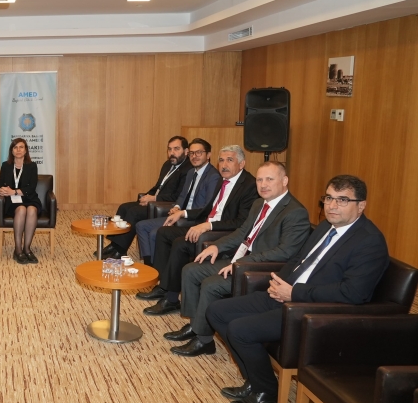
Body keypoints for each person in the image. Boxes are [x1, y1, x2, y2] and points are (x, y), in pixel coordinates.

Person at [206, 175, 389, 403]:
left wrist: (294, 292)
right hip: (287, 294)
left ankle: (266, 392)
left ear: (361, 205)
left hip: (312, 311)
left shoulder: (369, 241)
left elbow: (353, 293)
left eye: (342, 200)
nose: (332, 206)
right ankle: (254, 378)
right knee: (217, 311)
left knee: (240, 330)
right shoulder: (326, 226)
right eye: (329, 198)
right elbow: (298, 260)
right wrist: (279, 283)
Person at [166, 161, 311, 356]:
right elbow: (242, 232)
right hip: (241, 259)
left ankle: (204, 340)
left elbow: (285, 252)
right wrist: (217, 246)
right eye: (259, 180)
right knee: (191, 270)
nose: (263, 185)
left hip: (259, 269)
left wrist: (242, 264)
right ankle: (196, 325)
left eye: (269, 179)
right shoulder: (259, 203)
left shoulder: (295, 212)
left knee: (211, 284)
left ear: (284, 181)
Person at [140, 145, 258, 315]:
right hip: (205, 226)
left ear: (242, 164)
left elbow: (241, 222)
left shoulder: (249, 185)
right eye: (221, 160)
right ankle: (163, 286)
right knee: (164, 232)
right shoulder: (223, 180)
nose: (224, 165)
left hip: (221, 234)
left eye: (230, 160)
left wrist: (208, 226)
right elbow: (207, 209)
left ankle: (171, 299)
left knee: (181, 244)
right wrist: (183, 213)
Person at [101, 136, 192, 259]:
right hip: (155, 201)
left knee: (134, 212)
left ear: (186, 151)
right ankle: (114, 245)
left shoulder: (188, 170)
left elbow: (178, 196)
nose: (172, 153)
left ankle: (120, 250)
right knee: (124, 207)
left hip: (165, 206)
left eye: (176, 149)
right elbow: (158, 186)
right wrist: (145, 197)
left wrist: (154, 199)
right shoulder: (167, 165)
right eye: (169, 149)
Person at [133, 138, 220, 265]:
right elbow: (183, 195)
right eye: (192, 153)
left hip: (195, 220)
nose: (194, 156)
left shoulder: (213, 176)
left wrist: (183, 213)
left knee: (155, 233)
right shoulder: (191, 172)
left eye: (199, 153)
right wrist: (177, 206)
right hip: (180, 215)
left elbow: (207, 208)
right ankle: (149, 264)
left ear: (208, 155)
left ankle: (156, 267)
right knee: (141, 226)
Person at [0, 137, 43, 264]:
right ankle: (18, 250)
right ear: (12, 151)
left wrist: (14, 191)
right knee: (21, 209)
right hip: (13, 202)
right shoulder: (6, 166)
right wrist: (1, 190)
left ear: (25, 150)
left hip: (29, 198)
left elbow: (31, 187)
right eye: (15, 147)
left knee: (32, 210)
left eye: (21, 147)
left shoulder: (32, 166)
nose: (18, 150)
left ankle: (27, 249)